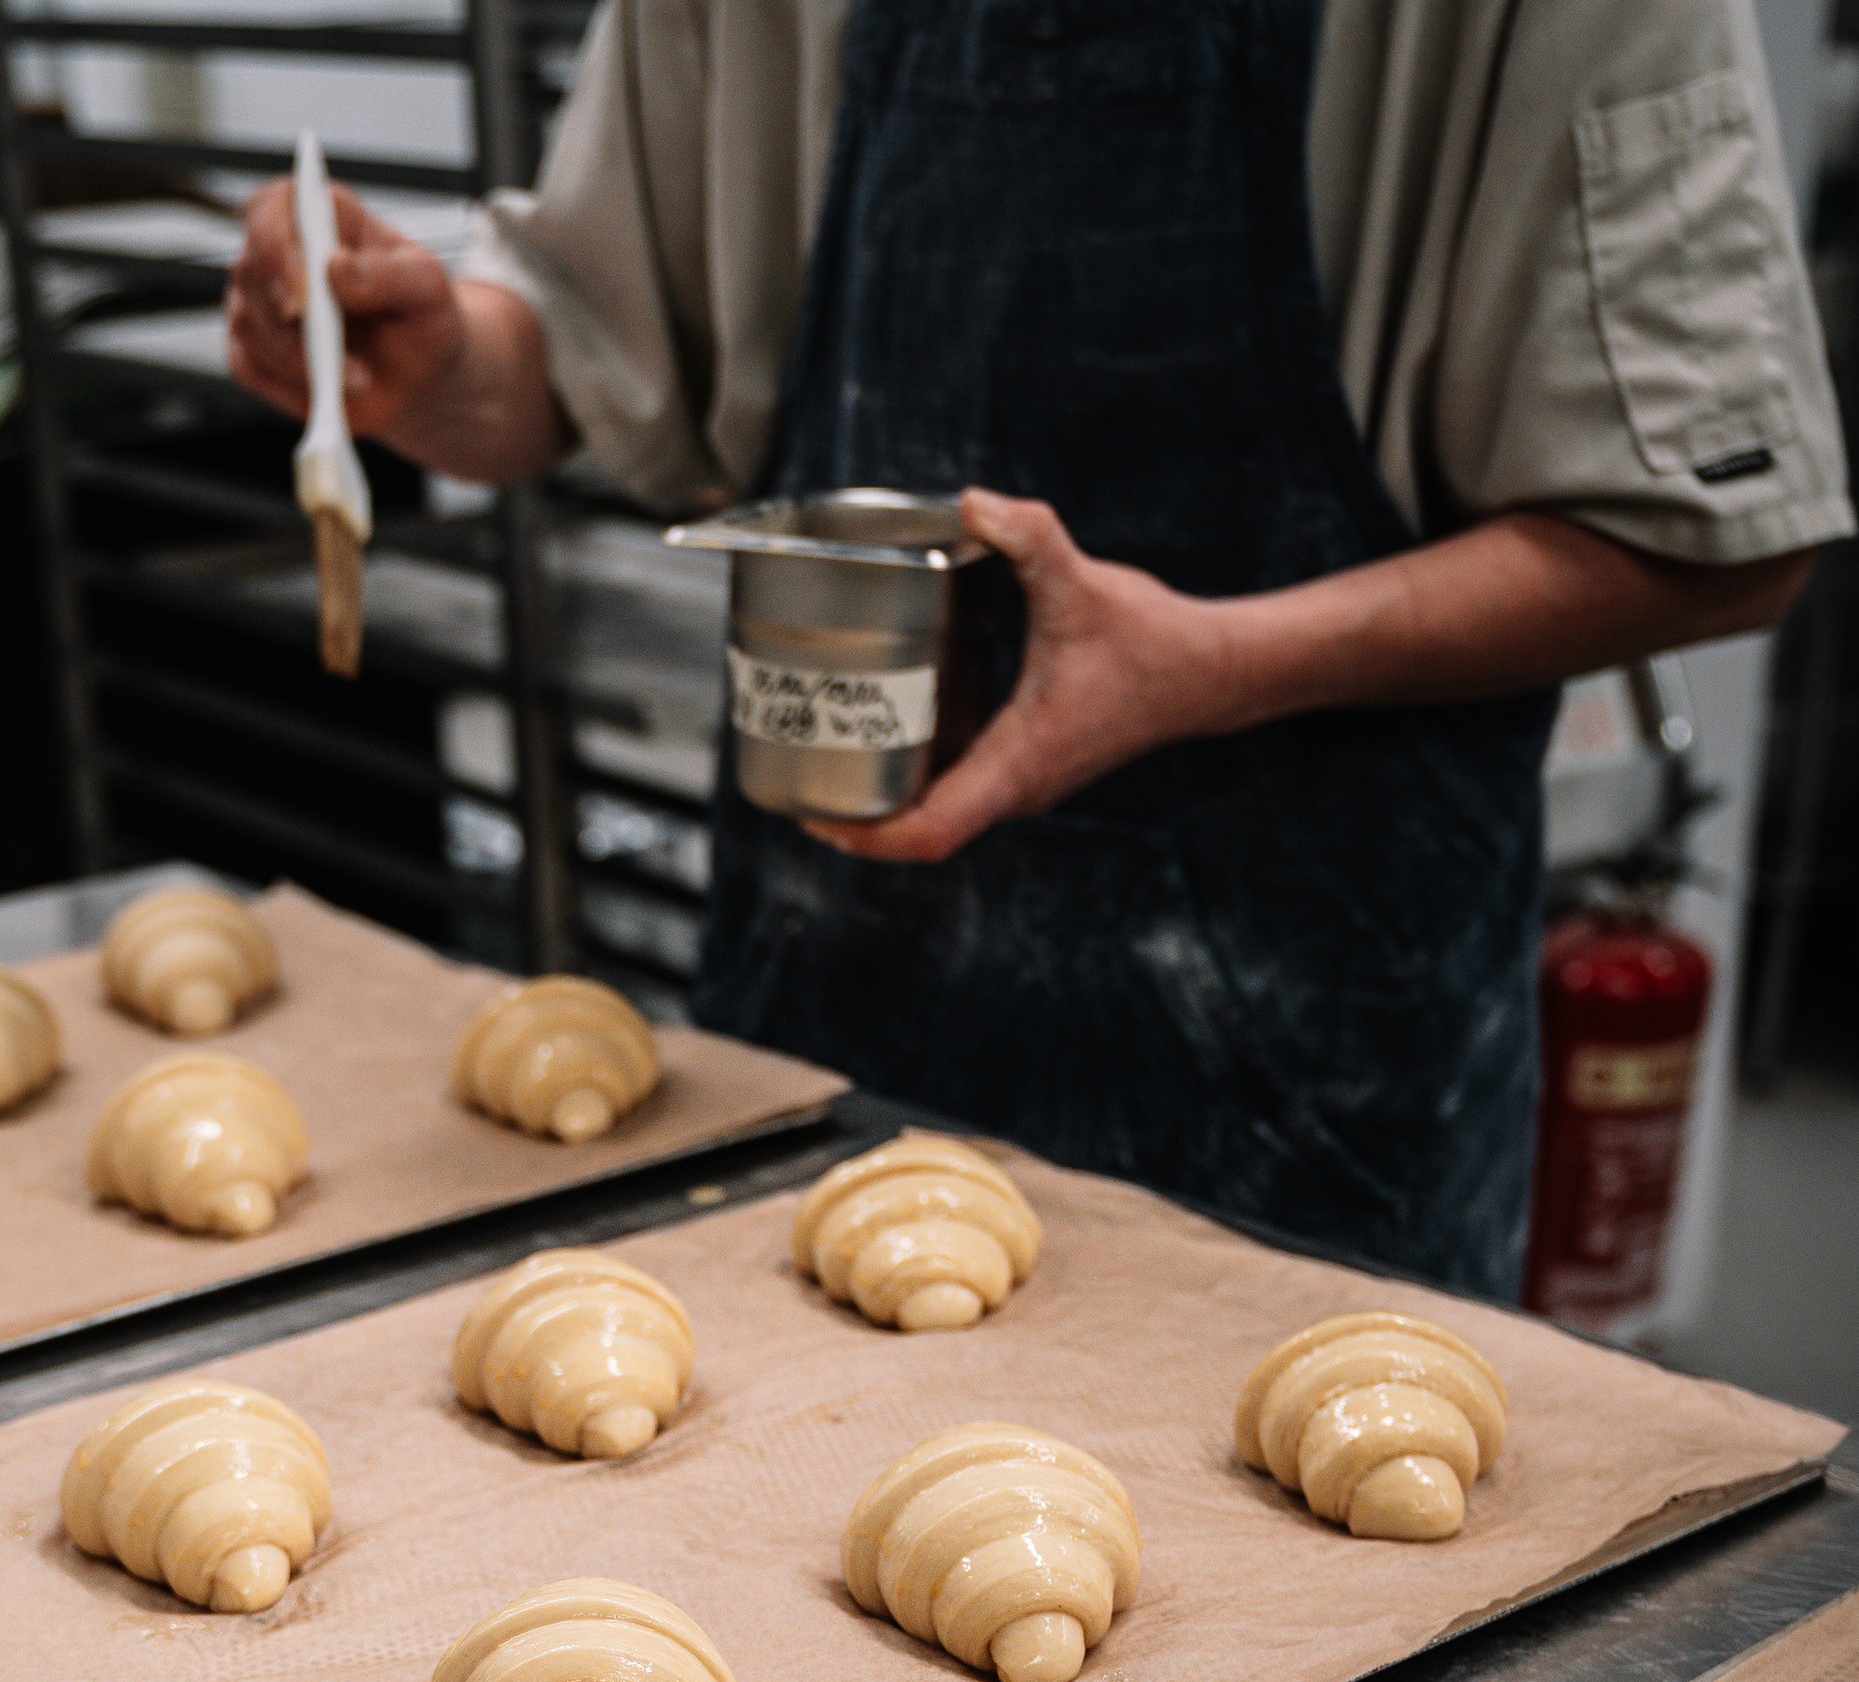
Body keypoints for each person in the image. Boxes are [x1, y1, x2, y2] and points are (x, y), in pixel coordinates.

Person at [228, 0, 1851, 1295]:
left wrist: (1215, 662)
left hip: (1311, 1082)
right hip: (822, 1012)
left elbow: (1714, 541)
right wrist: (436, 362)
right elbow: (585, 352)